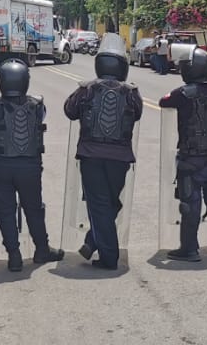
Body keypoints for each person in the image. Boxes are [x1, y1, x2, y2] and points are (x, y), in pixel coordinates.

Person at [64, 34, 144, 270]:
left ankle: (108, 256)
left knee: (101, 205)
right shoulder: (131, 92)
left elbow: (69, 110)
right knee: (109, 204)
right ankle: (94, 242)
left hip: (91, 155)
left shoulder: (86, 89)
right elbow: (138, 113)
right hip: (119, 158)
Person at [0, 59, 64, 271]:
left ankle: (14, 255)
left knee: (4, 210)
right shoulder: (37, 104)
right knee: (34, 209)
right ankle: (42, 249)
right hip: (29, 166)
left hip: (1, 165)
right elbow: (41, 115)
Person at [160, 48, 207, 261]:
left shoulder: (183, 94)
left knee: (190, 205)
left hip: (191, 159)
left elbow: (164, 102)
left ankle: (189, 249)